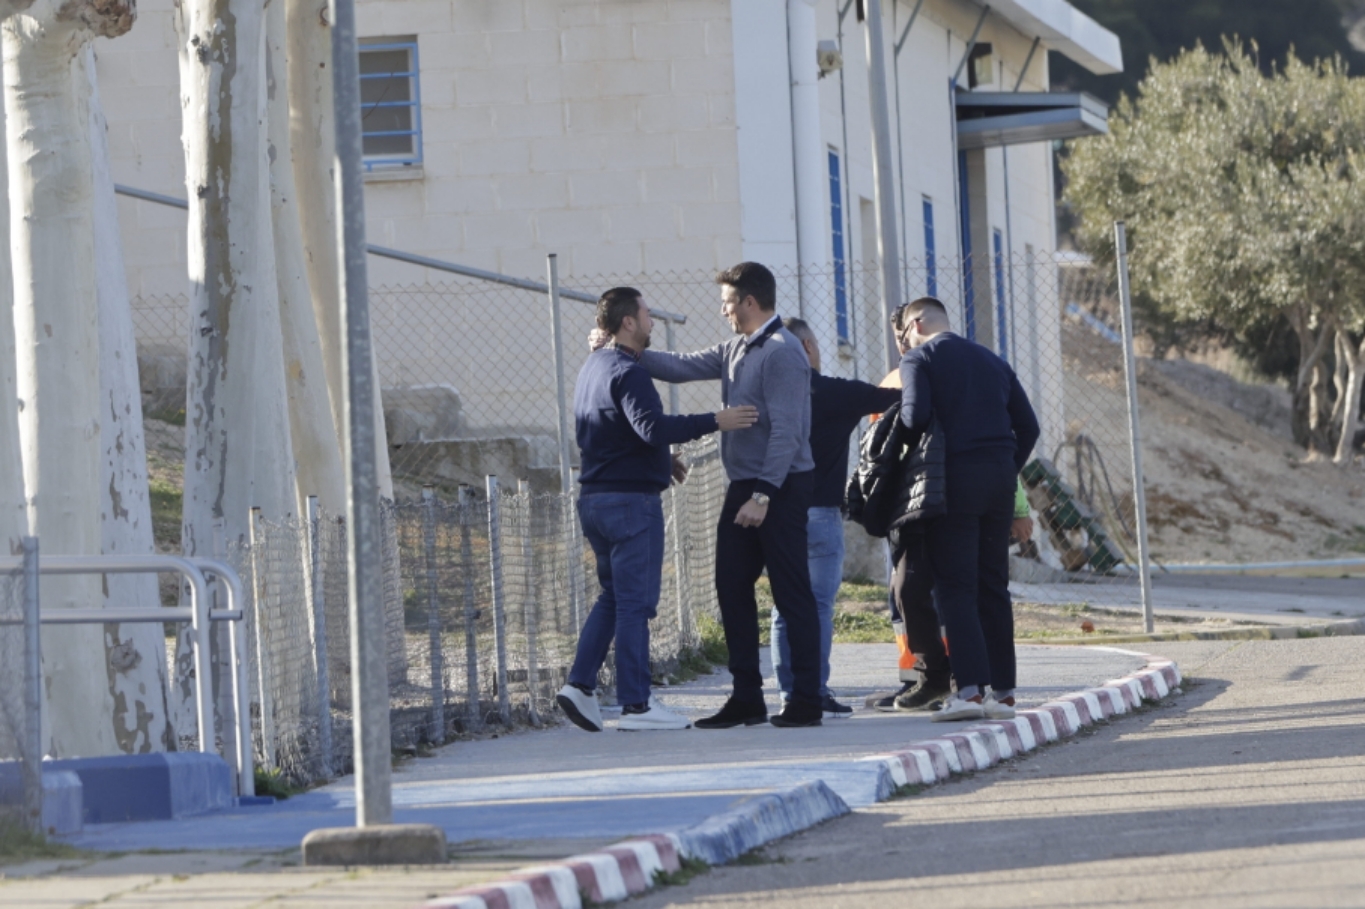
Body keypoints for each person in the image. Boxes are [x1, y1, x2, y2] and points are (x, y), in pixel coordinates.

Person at [556, 287, 758, 732]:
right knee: (634, 605)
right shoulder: (629, 372)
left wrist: (660, 462)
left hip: (595, 499)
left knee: (613, 598)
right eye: (646, 314)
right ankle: (636, 706)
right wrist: (715, 420)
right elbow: (652, 427)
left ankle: (579, 685)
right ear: (628, 321)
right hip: (630, 505)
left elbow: (611, 431)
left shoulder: (593, 366)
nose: (651, 320)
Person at [639, 262, 825, 728]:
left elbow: (787, 432)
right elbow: (681, 368)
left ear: (748, 301)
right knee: (731, 585)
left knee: (791, 591)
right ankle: (747, 698)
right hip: (744, 485)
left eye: (727, 301)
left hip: (777, 487)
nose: (722, 309)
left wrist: (762, 496)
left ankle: (806, 700)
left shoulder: (782, 352)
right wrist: (627, 350)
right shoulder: (736, 347)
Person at [873, 305, 1035, 712]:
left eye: (905, 333)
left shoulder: (918, 358)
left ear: (916, 324)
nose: (904, 342)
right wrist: (1002, 468)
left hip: (953, 481)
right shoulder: (993, 360)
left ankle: (969, 692)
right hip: (998, 481)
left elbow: (915, 417)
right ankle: (1005, 690)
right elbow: (1028, 426)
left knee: (955, 587)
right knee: (993, 585)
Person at [770, 318, 898, 718]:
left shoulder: (767, 394)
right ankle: (816, 689)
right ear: (808, 347)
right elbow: (894, 398)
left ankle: (789, 692)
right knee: (819, 605)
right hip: (822, 512)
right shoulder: (836, 393)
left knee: (783, 607)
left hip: (776, 512)